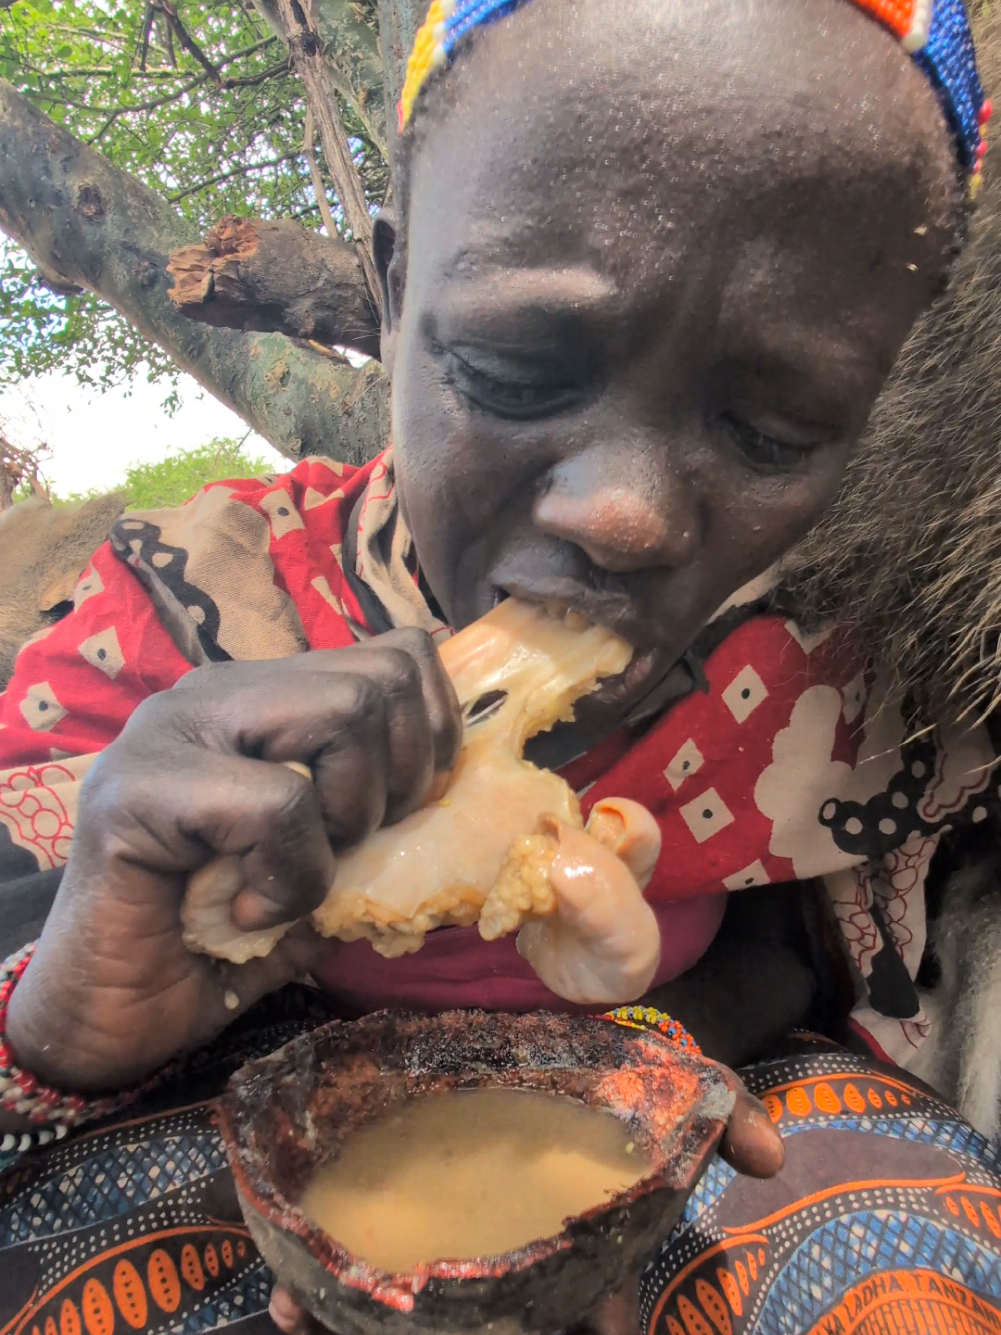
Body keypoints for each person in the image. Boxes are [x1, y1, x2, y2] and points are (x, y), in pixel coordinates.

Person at [1, 0, 1000, 1331]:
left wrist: (626, 1077)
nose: (629, 514)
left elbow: (800, 950)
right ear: (398, 286)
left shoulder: (826, 681)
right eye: (515, 368)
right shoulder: (189, 610)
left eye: (771, 431)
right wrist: (68, 1017)